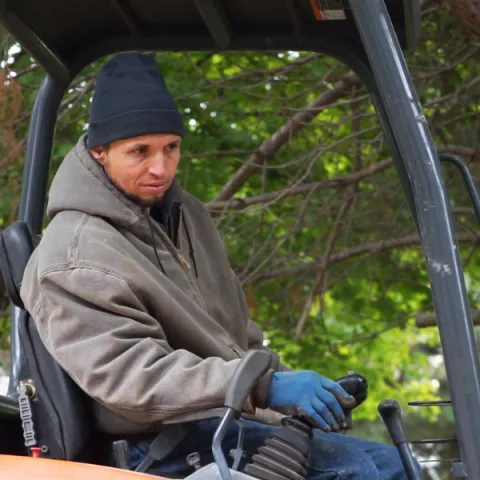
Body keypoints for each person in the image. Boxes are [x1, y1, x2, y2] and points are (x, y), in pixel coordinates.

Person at [20, 52, 420, 479]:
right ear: (100, 152)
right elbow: (132, 379)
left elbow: (234, 338)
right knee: (361, 474)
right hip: (154, 445)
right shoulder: (74, 255)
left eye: (171, 148)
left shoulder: (186, 216)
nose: (161, 167)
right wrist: (263, 386)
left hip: (224, 419)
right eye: (140, 151)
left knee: (396, 464)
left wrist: (290, 389)